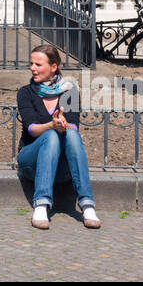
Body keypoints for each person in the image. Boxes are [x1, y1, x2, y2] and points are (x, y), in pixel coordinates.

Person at [16, 45, 99, 230]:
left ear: (54, 67)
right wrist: (51, 126)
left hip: (62, 167)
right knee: (51, 135)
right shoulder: (25, 92)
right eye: (31, 64)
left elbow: (74, 126)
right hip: (32, 161)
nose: (32, 68)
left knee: (71, 133)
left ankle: (87, 205)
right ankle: (41, 204)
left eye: (38, 64)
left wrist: (63, 125)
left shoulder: (70, 92)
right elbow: (31, 129)